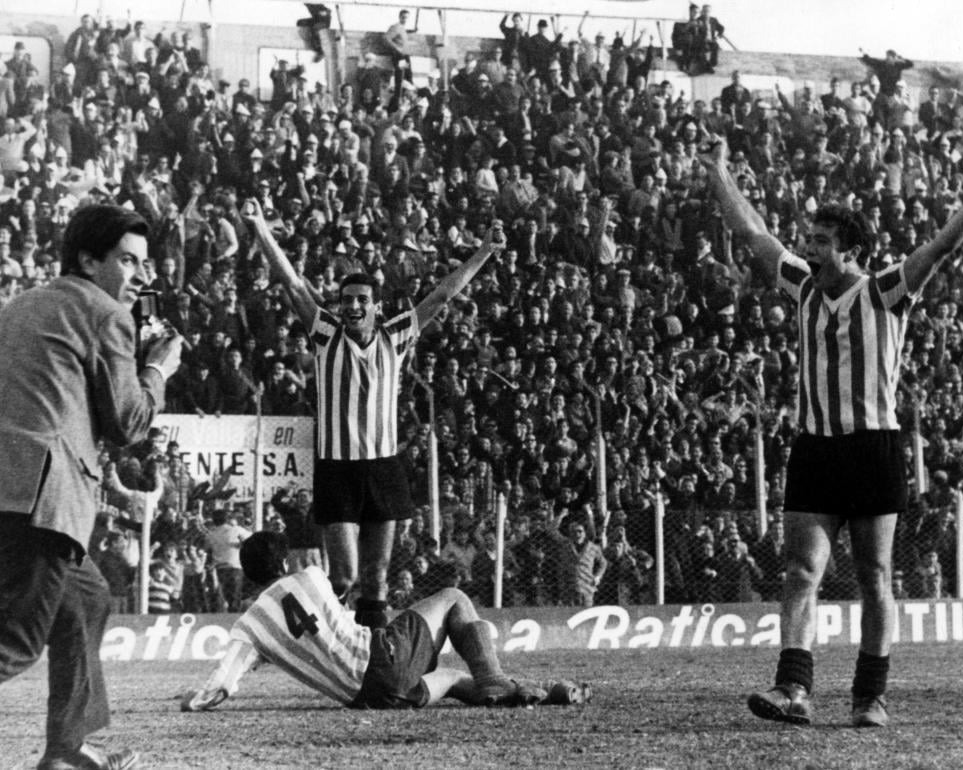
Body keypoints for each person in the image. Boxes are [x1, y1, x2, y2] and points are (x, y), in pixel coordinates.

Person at [697, 138, 963, 728]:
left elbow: (943, 245)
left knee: (874, 576)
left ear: (852, 251)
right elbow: (755, 236)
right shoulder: (804, 287)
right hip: (815, 447)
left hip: (872, 447)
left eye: (820, 243)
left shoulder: (885, 291)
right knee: (799, 571)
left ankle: (870, 696)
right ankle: (794, 688)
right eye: (808, 242)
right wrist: (718, 172)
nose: (808, 251)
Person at [243, 199, 502, 629]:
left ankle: (375, 663)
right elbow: (292, 284)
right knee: (342, 577)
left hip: (382, 466)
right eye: (346, 300)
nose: (353, 306)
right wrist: (258, 226)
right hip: (337, 468)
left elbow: (443, 293)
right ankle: (305, 637)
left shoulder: (396, 334)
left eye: (362, 299)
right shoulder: (325, 333)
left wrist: (486, 252)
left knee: (377, 578)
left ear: (376, 305)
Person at [0, 204, 182, 770]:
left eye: (142, 263)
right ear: (88, 260)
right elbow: (128, 424)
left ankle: (65, 748)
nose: (138, 276)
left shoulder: (18, 306)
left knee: (87, 598)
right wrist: (158, 370)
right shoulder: (106, 313)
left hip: (11, 488)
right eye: (127, 261)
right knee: (17, 643)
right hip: (44, 499)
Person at [180, 532, 589, 712]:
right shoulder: (309, 577)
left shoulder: (249, 627)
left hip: (370, 697)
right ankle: (497, 680)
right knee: (454, 599)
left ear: (250, 576)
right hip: (380, 658)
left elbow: (220, 689)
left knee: (452, 680)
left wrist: (195, 699)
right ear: (284, 562)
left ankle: (536, 692)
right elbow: (335, 605)